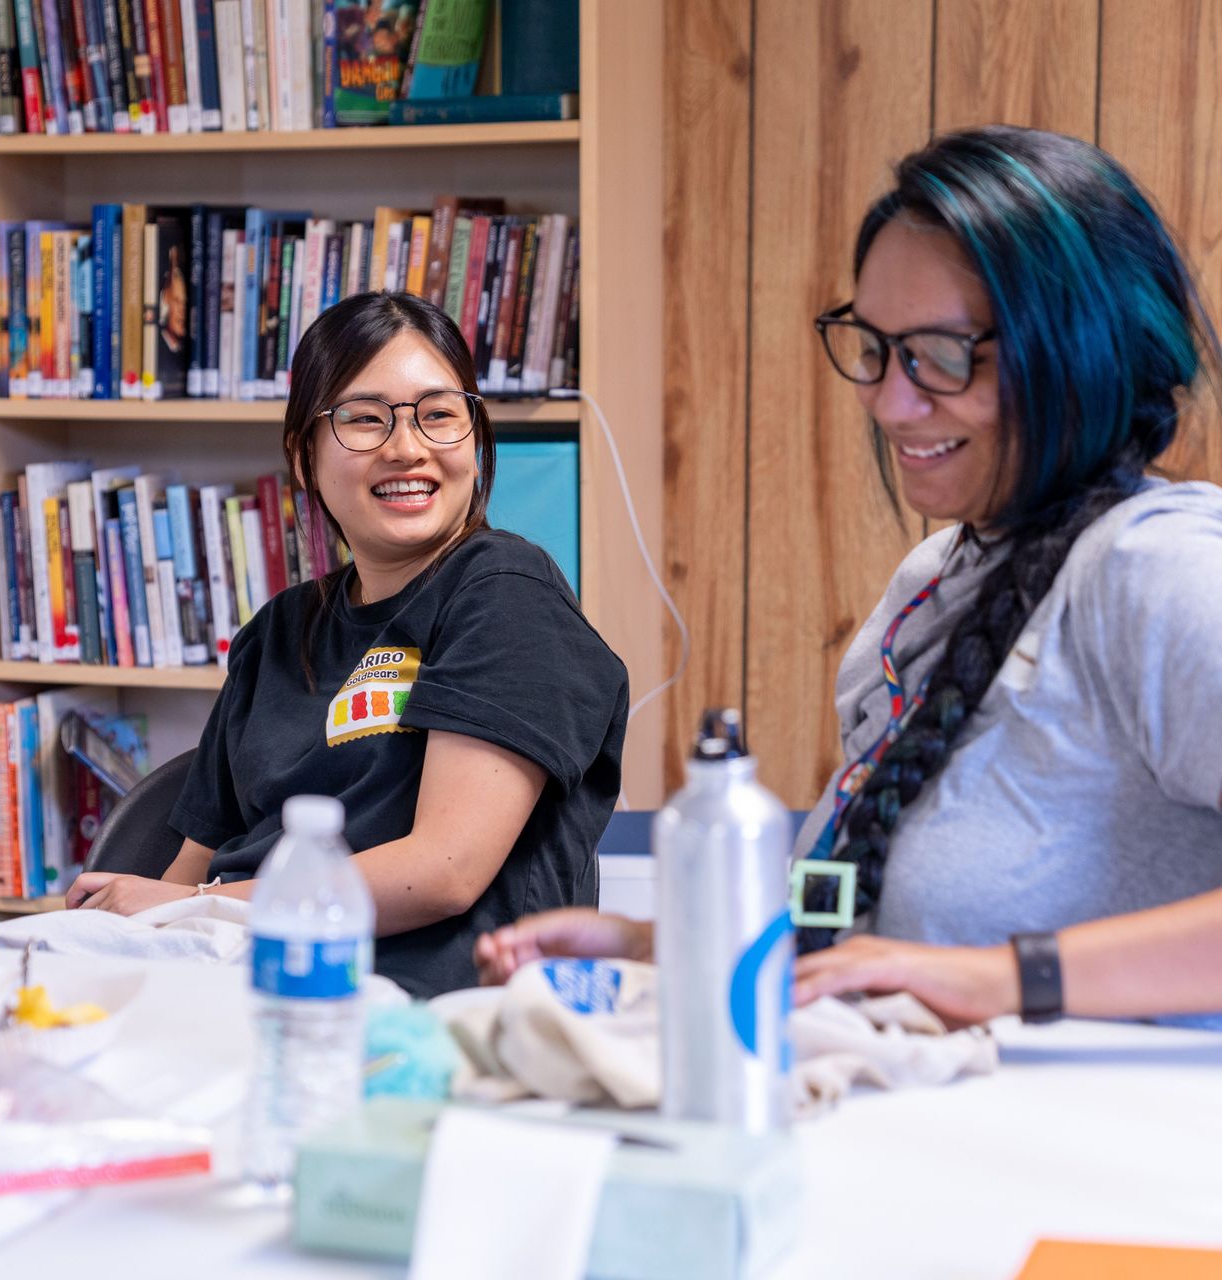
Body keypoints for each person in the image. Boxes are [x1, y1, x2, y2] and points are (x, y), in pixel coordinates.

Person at [477, 126, 1222, 1028]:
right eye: (874, 346)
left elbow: (949, 967)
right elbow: (863, 919)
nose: (889, 400)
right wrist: (659, 943)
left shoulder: (1159, 570)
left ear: (1080, 350)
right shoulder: (930, 580)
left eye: (942, 356)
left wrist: (1002, 980)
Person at [63, 291, 629, 998]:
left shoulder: (506, 595)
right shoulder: (276, 632)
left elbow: (445, 870)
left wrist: (201, 905)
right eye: (364, 419)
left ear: (477, 442)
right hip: (235, 980)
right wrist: (143, 927)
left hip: (415, 1014)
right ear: (303, 456)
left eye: (439, 415)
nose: (407, 447)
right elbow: (183, 875)